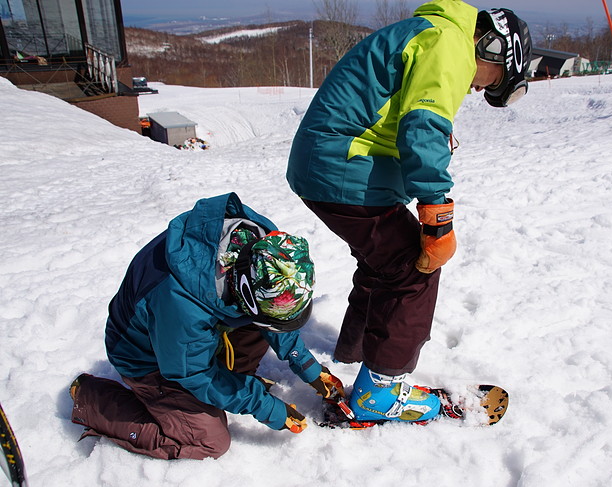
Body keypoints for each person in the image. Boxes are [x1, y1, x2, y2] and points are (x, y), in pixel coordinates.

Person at [286, 1, 532, 423]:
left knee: (383, 262)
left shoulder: (432, 33)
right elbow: (423, 126)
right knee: (410, 268)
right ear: (493, 48)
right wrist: (437, 216)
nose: (479, 89)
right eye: (496, 80)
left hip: (332, 163)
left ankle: (353, 353)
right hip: (341, 164)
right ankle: (379, 393)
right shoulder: (451, 43)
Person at [68, 193, 344, 460]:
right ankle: (93, 400)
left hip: (185, 335)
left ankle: (229, 382)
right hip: (147, 356)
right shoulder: (181, 305)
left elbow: (275, 312)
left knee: (263, 321)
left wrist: (306, 365)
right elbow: (193, 373)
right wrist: (264, 405)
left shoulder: (262, 247)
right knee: (209, 441)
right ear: (243, 292)